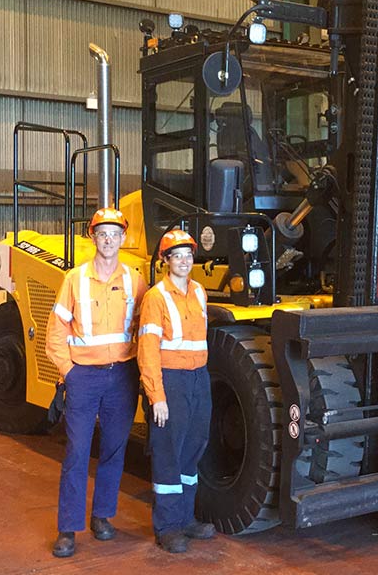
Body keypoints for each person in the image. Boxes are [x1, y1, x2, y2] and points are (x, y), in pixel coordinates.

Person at [45, 207, 147, 558]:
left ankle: (102, 516)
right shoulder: (74, 279)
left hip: (122, 375)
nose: (108, 239)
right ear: (93, 238)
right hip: (83, 377)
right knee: (76, 452)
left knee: (115, 450)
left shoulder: (135, 279)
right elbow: (55, 332)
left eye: (114, 234)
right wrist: (69, 372)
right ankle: (68, 529)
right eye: (102, 233)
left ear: (122, 239)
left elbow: (145, 330)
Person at [137, 229, 215, 553]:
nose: (184, 261)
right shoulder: (156, 297)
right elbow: (148, 348)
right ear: (165, 260)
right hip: (171, 379)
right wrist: (157, 396)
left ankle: (186, 519)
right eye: (176, 255)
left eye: (188, 255)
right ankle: (167, 527)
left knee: (193, 448)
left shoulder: (199, 292)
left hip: (199, 377)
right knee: (169, 451)